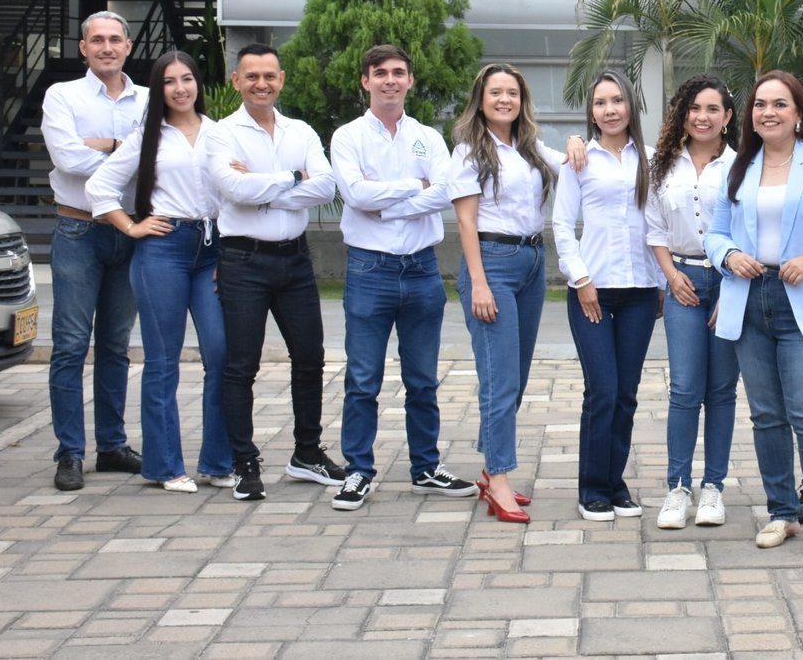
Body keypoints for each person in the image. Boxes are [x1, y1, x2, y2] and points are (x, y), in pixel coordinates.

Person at [705, 70, 803, 561]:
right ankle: (781, 513)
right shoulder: (738, 166)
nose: (768, 112)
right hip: (750, 298)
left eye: (779, 103)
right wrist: (728, 256)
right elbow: (715, 234)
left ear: (799, 113)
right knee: (768, 416)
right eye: (759, 104)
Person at [329, 45, 473, 511]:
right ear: (365, 81)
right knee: (363, 378)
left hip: (422, 269)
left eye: (398, 73)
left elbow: (447, 191)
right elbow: (353, 194)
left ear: (410, 80)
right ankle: (357, 471)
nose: (390, 80)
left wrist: (382, 202)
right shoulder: (348, 137)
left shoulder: (427, 137)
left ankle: (425, 467)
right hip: (369, 269)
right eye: (380, 73)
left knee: (423, 379)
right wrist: (416, 188)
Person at [85, 51, 229, 493]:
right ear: (159, 88)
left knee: (222, 355)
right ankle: (165, 466)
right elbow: (98, 187)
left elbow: (236, 188)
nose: (180, 88)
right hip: (162, 249)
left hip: (213, 249)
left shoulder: (221, 134)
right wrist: (131, 226)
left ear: (198, 84)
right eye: (169, 82)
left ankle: (218, 462)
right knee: (163, 361)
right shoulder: (147, 137)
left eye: (187, 79)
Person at [202, 43, 340, 500]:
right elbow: (233, 189)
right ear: (236, 82)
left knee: (310, 357)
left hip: (295, 260)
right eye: (252, 76)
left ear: (281, 79)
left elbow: (326, 186)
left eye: (270, 75)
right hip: (243, 261)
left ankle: (307, 452)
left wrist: (266, 186)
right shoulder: (221, 134)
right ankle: (243, 462)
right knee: (241, 365)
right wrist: (292, 178)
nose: (262, 83)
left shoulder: (300, 130)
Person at [450, 63, 582, 524]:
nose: (504, 99)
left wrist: (575, 142)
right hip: (493, 265)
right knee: (499, 380)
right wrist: (479, 282)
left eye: (512, 92)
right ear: (480, 99)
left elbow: (571, 166)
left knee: (517, 377)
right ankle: (499, 478)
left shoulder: (528, 149)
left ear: (522, 100)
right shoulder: (470, 151)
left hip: (531, 263)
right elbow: (466, 221)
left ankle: (493, 468)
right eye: (495, 92)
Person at [42, 10, 148, 491]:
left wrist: (105, 145)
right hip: (78, 231)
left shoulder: (149, 100)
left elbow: (159, 156)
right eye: (97, 40)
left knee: (114, 346)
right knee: (68, 346)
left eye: (115, 40)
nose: (107, 47)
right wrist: (128, 149)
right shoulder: (60, 96)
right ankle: (70, 453)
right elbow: (68, 157)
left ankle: (111, 446)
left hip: (127, 233)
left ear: (128, 47)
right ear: (83, 48)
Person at [553, 69, 661, 522]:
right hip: (592, 292)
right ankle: (592, 488)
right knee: (603, 389)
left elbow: (659, 225)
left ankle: (615, 483)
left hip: (639, 293)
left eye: (617, 101)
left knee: (627, 394)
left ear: (630, 106)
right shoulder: (578, 160)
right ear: (591, 111)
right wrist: (581, 280)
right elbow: (561, 225)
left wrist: (660, 282)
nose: (610, 109)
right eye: (600, 103)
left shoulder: (653, 159)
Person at [647, 74, 739, 529]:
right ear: (682, 115)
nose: (703, 117)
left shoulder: (744, 166)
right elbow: (654, 229)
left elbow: (750, 234)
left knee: (721, 391)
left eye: (712, 109)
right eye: (694, 109)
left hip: (729, 283)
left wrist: (734, 291)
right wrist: (671, 276)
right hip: (681, 281)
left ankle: (713, 488)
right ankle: (677, 488)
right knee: (685, 390)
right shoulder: (662, 165)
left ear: (727, 117)